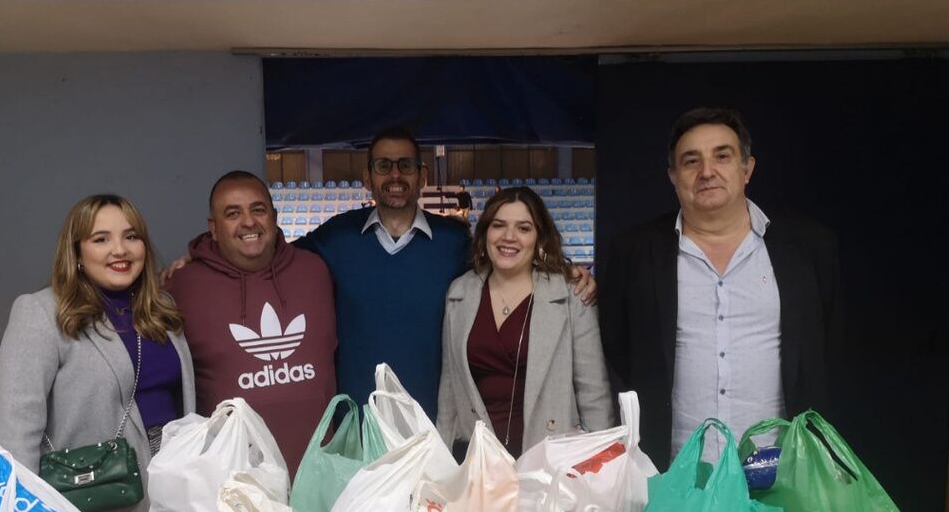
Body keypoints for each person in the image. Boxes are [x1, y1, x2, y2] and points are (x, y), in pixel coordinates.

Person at [295, 127, 597, 419]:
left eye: (406, 165)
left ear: (422, 176)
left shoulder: (453, 241)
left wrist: (563, 270)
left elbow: (509, 264)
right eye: (384, 166)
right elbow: (278, 258)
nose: (395, 175)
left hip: (434, 425)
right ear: (367, 177)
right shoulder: (337, 236)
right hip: (360, 420)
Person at [599, 107, 841, 467]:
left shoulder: (808, 249)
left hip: (779, 469)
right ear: (673, 176)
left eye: (722, 157)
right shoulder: (633, 253)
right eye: (691, 161)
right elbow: (617, 353)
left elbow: (826, 348)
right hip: (674, 472)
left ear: (747, 169)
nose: (707, 172)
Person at [0, 193, 195, 512]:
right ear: (77, 254)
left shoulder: (160, 306)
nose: (120, 249)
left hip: (175, 488)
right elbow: (16, 431)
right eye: (101, 239)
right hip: (98, 503)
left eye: (131, 236)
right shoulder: (41, 312)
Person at [166, 171, 336, 476]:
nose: (248, 222)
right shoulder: (183, 284)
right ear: (213, 229)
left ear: (274, 217)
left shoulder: (315, 271)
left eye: (258, 210)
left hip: (319, 474)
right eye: (233, 213)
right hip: (232, 481)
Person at [438, 187, 614, 458]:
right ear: (485, 233)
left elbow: (593, 393)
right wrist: (442, 461)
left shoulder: (571, 294)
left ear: (539, 238)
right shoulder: (459, 293)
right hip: (479, 458)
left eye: (523, 228)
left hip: (551, 459)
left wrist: (601, 461)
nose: (509, 237)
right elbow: (449, 390)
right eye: (499, 226)